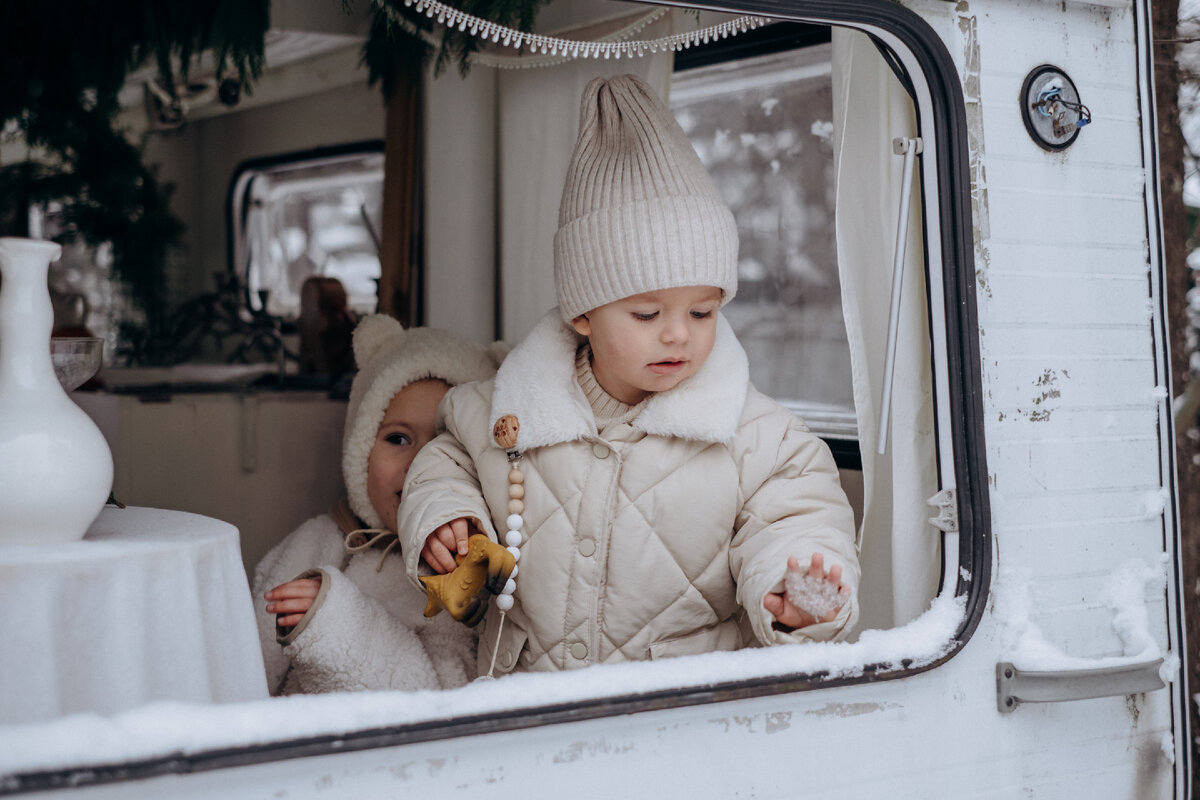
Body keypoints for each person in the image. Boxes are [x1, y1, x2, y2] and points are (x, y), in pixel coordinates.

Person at [397, 74, 860, 677]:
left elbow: (797, 519)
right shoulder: (495, 411)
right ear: (582, 313)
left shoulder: (761, 439)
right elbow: (444, 462)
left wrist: (798, 590)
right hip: (521, 713)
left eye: (702, 311)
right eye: (647, 314)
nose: (678, 334)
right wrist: (446, 517)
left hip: (675, 721)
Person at [252, 314, 504, 694]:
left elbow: (439, 706)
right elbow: (243, 674)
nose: (421, 463)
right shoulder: (308, 544)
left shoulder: (463, 573)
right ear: (360, 451)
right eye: (398, 439)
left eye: (448, 447)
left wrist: (334, 622)